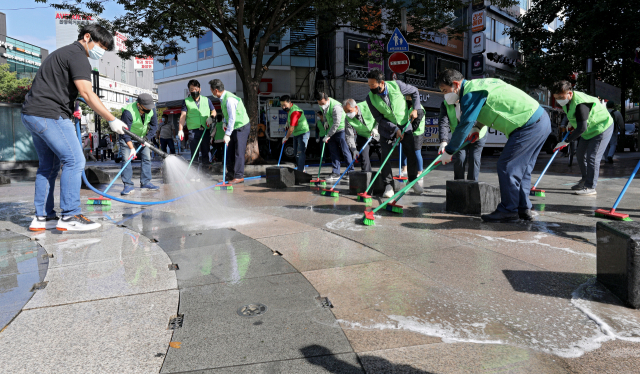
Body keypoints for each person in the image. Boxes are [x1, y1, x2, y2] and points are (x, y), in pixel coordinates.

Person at [21, 24, 127, 231]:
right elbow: (88, 93)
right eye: (100, 46)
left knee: (48, 167)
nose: (101, 52)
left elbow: (60, 88)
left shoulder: (59, 54)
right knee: (75, 160)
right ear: (87, 37)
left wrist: (72, 105)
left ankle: (43, 218)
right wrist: (111, 119)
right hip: (49, 115)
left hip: (31, 114)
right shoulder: (78, 56)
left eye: (105, 50)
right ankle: (70, 216)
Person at [437, 69, 551, 222]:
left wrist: (449, 150)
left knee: (507, 166)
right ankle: (523, 208)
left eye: (445, 90)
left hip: (528, 125)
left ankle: (508, 210)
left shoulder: (470, 93)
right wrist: (478, 128)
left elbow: (465, 124)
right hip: (540, 120)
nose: (445, 95)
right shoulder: (481, 85)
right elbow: (493, 106)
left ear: (456, 84)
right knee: (522, 170)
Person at [365, 68, 424, 197]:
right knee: (385, 157)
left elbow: (414, 91)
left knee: (412, 154)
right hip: (387, 129)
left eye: (373, 85)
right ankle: (388, 186)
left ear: (381, 83)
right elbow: (379, 118)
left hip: (405, 125)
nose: (370, 88)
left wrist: (416, 108)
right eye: (369, 85)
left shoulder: (397, 85)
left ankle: (413, 180)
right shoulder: (370, 98)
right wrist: (395, 129)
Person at [551, 80, 613, 195]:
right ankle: (585, 180)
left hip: (601, 127)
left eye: (560, 97)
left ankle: (590, 187)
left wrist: (565, 142)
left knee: (592, 157)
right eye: (556, 98)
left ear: (569, 93)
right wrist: (572, 123)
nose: (559, 100)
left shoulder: (581, 104)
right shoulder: (567, 102)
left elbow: (581, 128)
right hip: (589, 129)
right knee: (580, 155)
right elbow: (576, 118)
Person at [437, 96, 488, 181]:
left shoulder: (471, 98)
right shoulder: (445, 104)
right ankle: (459, 185)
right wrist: (443, 141)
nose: (445, 94)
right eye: (443, 91)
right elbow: (443, 123)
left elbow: (480, 114)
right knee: (460, 158)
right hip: (459, 136)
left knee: (474, 159)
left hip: (478, 133)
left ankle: (472, 186)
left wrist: (476, 128)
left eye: (446, 90)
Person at [209, 79, 250, 184]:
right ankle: (230, 175)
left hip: (241, 126)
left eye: (211, 90)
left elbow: (232, 118)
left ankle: (239, 176)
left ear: (216, 90)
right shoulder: (222, 98)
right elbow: (227, 115)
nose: (211, 92)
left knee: (238, 152)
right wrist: (224, 123)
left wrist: (227, 134)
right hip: (233, 126)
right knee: (229, 151)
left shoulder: (229, 99)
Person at [118, 93, 159, 195]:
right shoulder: (128, 112)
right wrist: (131, 148)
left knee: (147, 158)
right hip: (127, 137)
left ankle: (146, 182)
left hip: (142, 137)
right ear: (138, 105)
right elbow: (125, 132)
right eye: (146, 108)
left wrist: (147, 138)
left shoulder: (151, 109)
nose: (148, 110)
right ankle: (128, 185)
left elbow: (154, 126)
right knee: (127, 159)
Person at [177, 79, 216, 173]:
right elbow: (183, 116)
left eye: (195, 89)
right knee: (194, 154)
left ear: (200, 89)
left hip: (205, 130)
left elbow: (214, 111)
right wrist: (180, 129)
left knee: (205, 153)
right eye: (191, 89)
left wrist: (211, 117)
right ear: (189, 91)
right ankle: (194, 176)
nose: (194, 91)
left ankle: (205, 175)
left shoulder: (207, 100)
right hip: (193, 132)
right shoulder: (186, 101)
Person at [316, 92, 352, 180]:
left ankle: (350, 171)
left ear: (327, 100)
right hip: (331, 130)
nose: (321, 105)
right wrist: (325, 121)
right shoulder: (322, 104)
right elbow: (324, 113)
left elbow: (337, 123)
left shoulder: (336, 107)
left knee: (345, 151)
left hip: (341, 129)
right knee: (333, 152)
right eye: (319, 103)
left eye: (323, 103)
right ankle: (336, 172)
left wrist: (328, 135)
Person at [342, 98, 379, 173]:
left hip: (377, 134)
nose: (348, 114)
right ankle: (367, 179)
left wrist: (376, 128)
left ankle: (386, 180)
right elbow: (349, 135)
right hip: (363, 136)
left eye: (349, 111)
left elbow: (380, 116)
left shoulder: (368, 105)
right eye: (345, 112)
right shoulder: (348, 118)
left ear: (355, 108)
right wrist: (354, 150)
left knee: (384, 156)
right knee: (364, 158)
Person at [280, 95, 310, 172]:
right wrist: (287, 122)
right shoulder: (289, 109)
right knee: (296, 153)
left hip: (303, 133)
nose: (283, 107)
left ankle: (300, 171)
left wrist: (286, 138)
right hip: (297, 134)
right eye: (282, 105)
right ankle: (302, 169)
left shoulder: (295, 112)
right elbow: (289, 118)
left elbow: (291, 129)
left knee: (300, 152)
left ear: (289, 103)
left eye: (284, 105)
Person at [401, 96, 426, 186]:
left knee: (417, 152)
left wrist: (408, 130)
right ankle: (404, 170)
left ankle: (420, 172)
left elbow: (415, 124)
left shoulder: (419, 108)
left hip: (417, 133)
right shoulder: (408, 107)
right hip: (407, 131)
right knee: (405, 151)